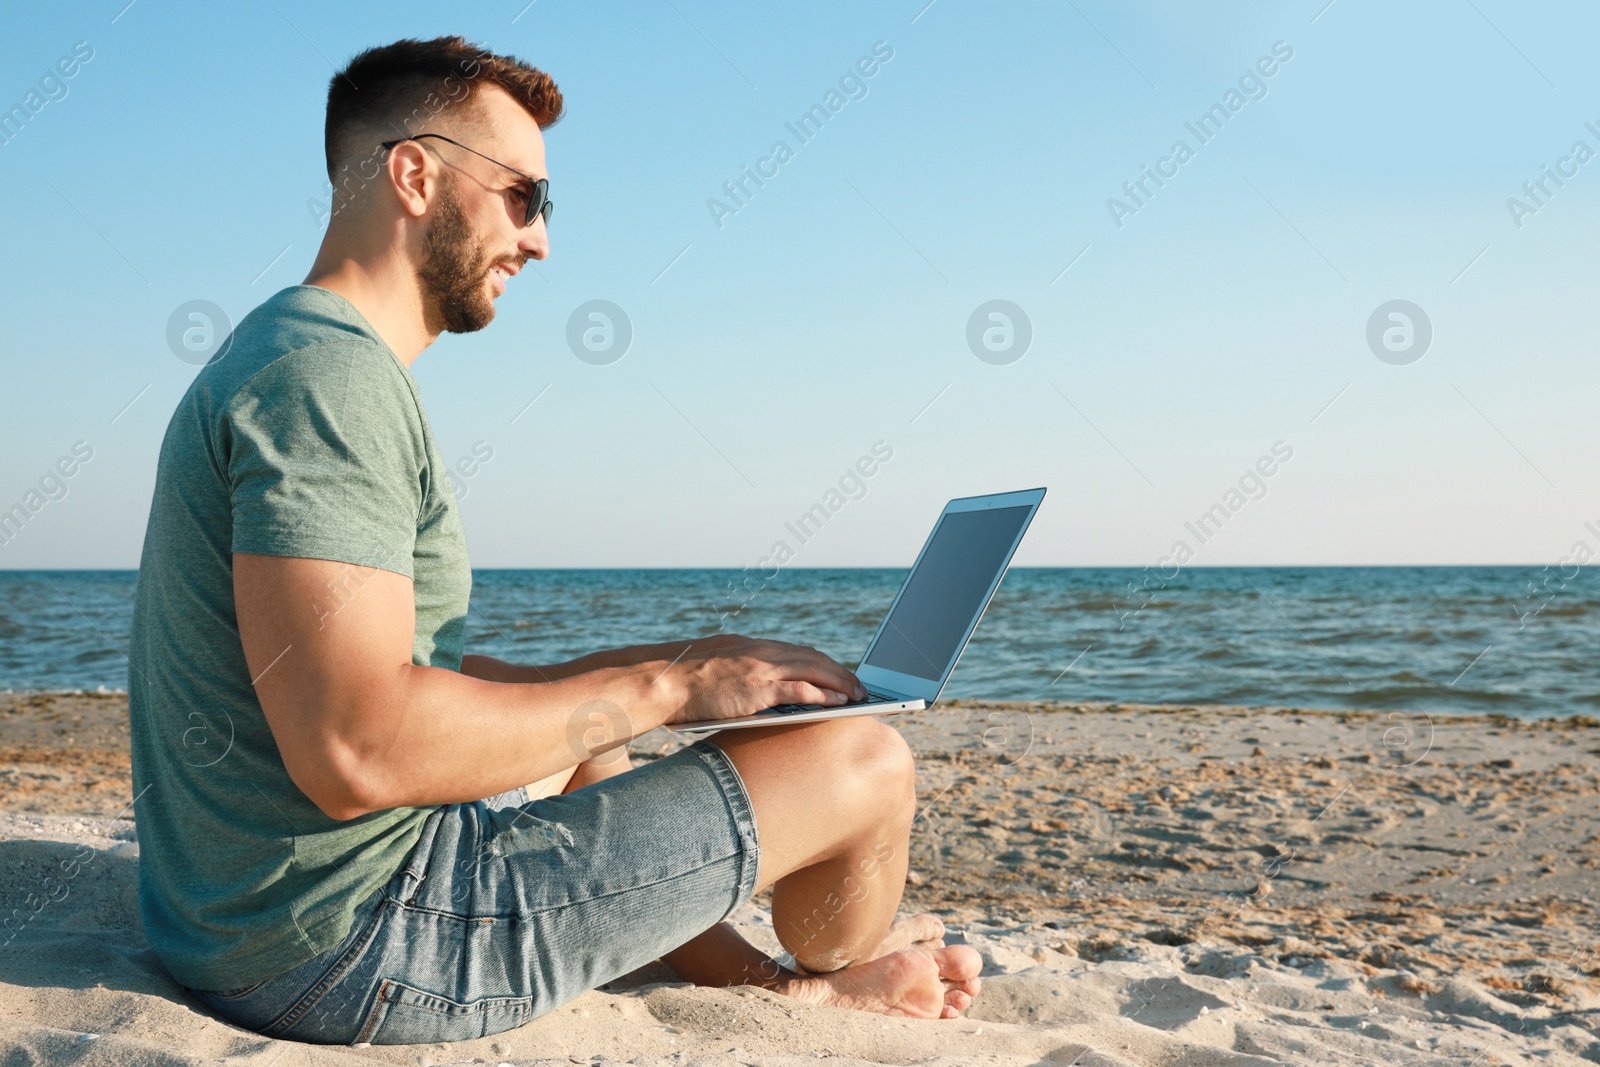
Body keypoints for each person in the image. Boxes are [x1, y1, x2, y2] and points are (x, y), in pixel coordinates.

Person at [127, 35, 982, 1044]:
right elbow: (355, 748)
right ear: (414, 175)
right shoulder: (332, 383)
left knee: (592, 735)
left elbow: (406, 673)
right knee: (865, 760)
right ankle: (826, 982)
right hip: (357, 945)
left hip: (235, 919)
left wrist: (671, 665)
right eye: (525, 197)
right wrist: (672, 689)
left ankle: (763, 984)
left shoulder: (291, 350)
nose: (539, 242)